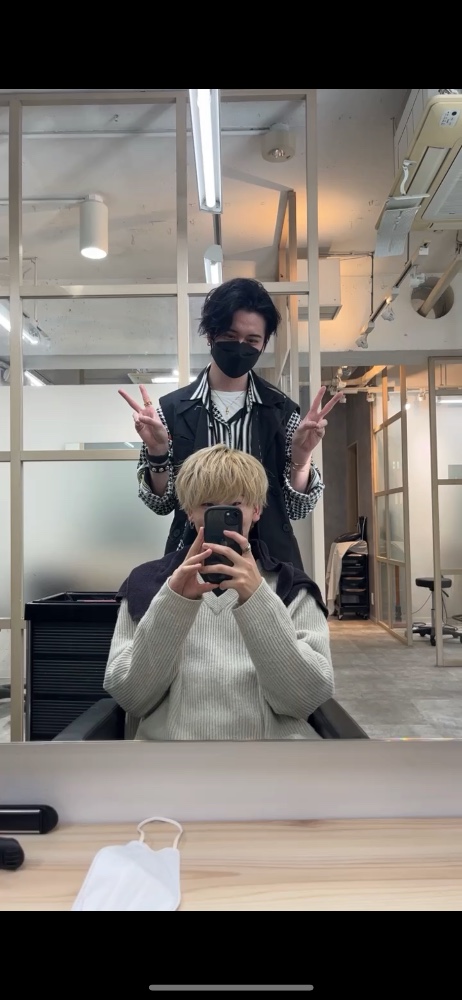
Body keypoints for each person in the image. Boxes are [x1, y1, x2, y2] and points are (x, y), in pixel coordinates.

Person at [103, 444, 334, 741]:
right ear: (189, 512)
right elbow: (131, 696)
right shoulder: (146, 584)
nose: (221, 515)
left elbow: (305, 699)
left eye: (235, 505)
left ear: (256, 510)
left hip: (272, 757)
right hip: (172, 757)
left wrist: (257, 599)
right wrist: (173, 602)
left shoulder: (292, 587)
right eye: (207, 505)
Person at [119, 277, 343, 568]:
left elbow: (298, 509)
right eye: (229, 335)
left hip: (267, 565)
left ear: (263, 344)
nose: (240, 346)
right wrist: (158, 452)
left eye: (252, 340)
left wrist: (301, 458)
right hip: (193, 562)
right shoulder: (171, 412)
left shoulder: (281, 412)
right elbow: (160, 504)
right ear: (211, 335)